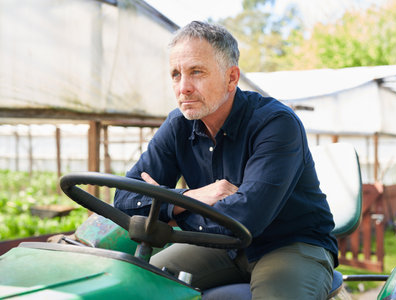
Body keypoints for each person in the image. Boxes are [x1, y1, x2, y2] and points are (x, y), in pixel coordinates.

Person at [114, 21, 338, 299]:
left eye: (196, 72)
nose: (183, 87)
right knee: (134, 286)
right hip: (215, 244)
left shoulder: (276, 124)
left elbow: (246, 218)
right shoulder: (178, 125)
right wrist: (194, 197)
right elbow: (125, 199)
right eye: (175, 74)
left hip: (289, 243)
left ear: (231, 77)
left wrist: (169, 207)